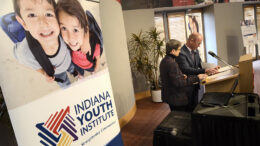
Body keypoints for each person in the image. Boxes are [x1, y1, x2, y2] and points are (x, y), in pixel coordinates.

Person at [13, 0, 76, 88]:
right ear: (23, 23)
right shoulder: (25, 52)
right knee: (64, 82)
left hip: (68, 60)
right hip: (57, 72)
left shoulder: (63, 29)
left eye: (49, 14)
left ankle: (74, 72)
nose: (44, 24)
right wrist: (44, 72)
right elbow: (20, 56)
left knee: (71, 67)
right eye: (32, 15)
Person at [56, 0, 103, 78]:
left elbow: (97, 59)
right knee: (80, 72)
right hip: (76, 63)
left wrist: (95, 69)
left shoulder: (92, 45)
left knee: (91, 71)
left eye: (75, 30)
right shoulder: (63, 40)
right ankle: (80, 75)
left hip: (89, 66)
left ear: (84, 28)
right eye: (64, 28)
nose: (71, 38)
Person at [160, 39, 207, 112]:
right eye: (178, 49)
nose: (180, 51)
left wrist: (181, 76)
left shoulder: (164, 60)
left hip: (170, 95)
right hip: (176, 97)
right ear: (173, 51)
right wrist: (197, 77)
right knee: (183, 118)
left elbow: (171, 78)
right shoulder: (172, 63)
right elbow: (179, 83)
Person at [176, 33, 218, 110]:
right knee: (188, 108)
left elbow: (200, 64)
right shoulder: (181, 52)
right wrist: (205, 70)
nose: (199, 45)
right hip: (187, 85)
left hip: (195, 83)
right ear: (191, 41)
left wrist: (212, 68)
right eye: (198, 43)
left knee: (195, 106)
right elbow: (186, 69)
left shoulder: (196, 51)